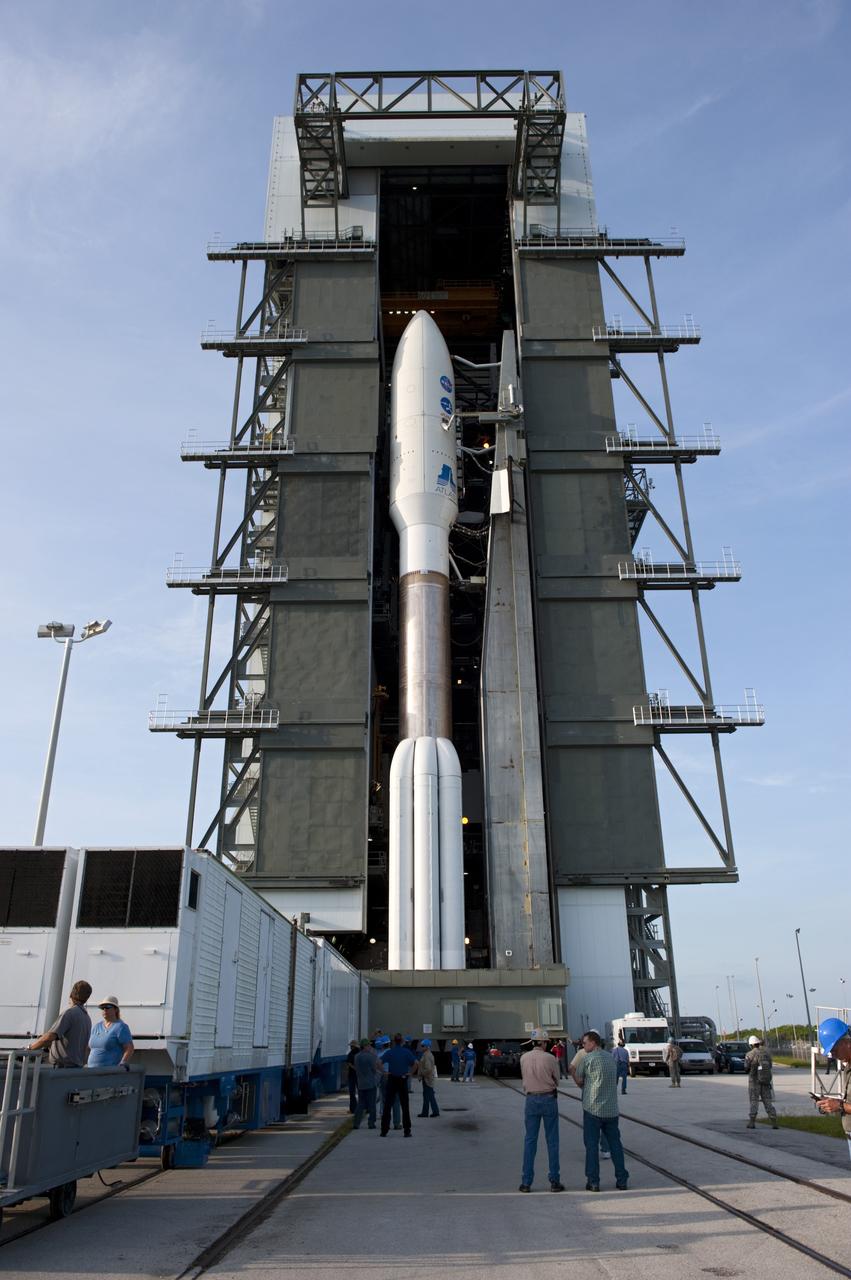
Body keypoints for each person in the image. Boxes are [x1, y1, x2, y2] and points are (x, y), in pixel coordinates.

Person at [573, 1030, 629, 1192]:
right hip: (611, 1110)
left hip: (592, 1109)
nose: (583, 1046)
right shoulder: (611, 1058)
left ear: (593, 1042)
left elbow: (580, 1080)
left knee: (591, 1146)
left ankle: (593, 1181)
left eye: (584, 1043)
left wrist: (575, 1077)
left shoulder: (588, 1059)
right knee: (615, 1145)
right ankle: (622, 1180)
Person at [518, 1029, 563, 1193]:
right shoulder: (550, 1058)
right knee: (552, 1141)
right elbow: (557, 1080)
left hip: (531, 1100)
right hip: (548, 1099)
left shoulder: (524, 1058)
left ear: (532, 1042)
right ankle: (554, 1181)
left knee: (530, 1140)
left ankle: (526, 1182)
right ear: (544, 1043)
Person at [28, 980, 92, 1068]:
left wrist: (29, 1048)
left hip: (62, 1067)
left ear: (71, 994)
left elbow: (49, 1037)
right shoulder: (86, 1018)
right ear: (87, 998)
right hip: (76, 1067)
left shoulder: (69, 1013)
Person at [815, 1018, 851, 1163]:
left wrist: (840, 1105)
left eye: (834, 1050)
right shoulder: (847, 1066)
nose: (833, 1055)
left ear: (846, 1042)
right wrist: (834, 1104)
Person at [380, 1033, 415, 1137]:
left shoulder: (390, 1052)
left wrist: (384, 1072)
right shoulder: (406, 1052)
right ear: (402, 1041)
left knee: (387, 1105)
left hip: (392, 1079)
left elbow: (378, 1062)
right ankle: (407, 1130)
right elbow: (416, 1063)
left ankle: (384, 1130)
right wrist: (411, 1073)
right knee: (405, 1106)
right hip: (402, 1079)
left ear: (394, 1041)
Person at [87, 996, 134, 1069]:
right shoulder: (96, 1026)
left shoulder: (121, 1027)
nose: (104, 1009)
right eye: (102, 1008)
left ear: (115, 1009)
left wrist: (123, 1062)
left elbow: (129, 1048)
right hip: (91, 1071)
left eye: (107, 1007)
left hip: (108, 1073)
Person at [744, 1034, 778, 1129]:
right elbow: (770, 1066)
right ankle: (774, 1121)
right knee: (767, 1101)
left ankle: (752, 1122)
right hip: (766, 1081)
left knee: (754, 1101)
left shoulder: (749, 1054)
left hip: (754, 1081)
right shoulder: (766, 1053)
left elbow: (746, 1068)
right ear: (758, 1043)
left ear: (751, 1045)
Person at [352, 1038, 381, 1130]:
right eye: (368, 1045)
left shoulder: (356, 1056)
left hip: (360, 1083)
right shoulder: (371, 1056)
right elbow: (374, 1069)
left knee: (360, 1104)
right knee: (372, 1104)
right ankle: (371, 1123)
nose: (370, 1047)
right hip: (370, 1083)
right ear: (365, 1046)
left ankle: (356, 1123)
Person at [416, 1038, 440, 1117]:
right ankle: (425, 1112)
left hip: (427, 1078)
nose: (421, 1047)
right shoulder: (426, 1054)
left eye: (423, 1046)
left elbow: (428, 1069)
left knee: (429, 1095)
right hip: (426, 1078)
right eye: (421, 1046)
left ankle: (435, 1112)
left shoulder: (427, 1055)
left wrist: (422, 1074)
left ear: (427, 1047)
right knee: (427, 1096)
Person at [345, 1039, 359, 1113]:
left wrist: (354, 1068)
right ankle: (360, 1107)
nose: (351, 1047)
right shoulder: (360, 1052)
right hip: (358, 1075)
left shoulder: (350, 1054)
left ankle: (353, 1108)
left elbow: (349, 1064)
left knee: (352, 1092)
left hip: (352, 1075)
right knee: (360, 1092)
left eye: (351, 1046)